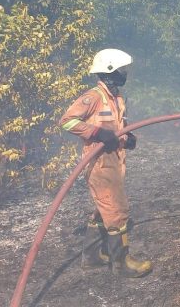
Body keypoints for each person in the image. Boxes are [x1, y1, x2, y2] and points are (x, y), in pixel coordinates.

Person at [59, 48, 152, 277]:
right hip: (99, 164)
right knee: (117, 210)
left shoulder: (117, 98)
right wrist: (95, 132)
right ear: (109, 71)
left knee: (104, 209)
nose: (124, 73)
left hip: (115, 161)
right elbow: (66, 122)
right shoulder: (93, 98)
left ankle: (91, 258)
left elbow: (117, 128)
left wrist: (126, 139)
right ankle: (122, 264)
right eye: (121, 69)